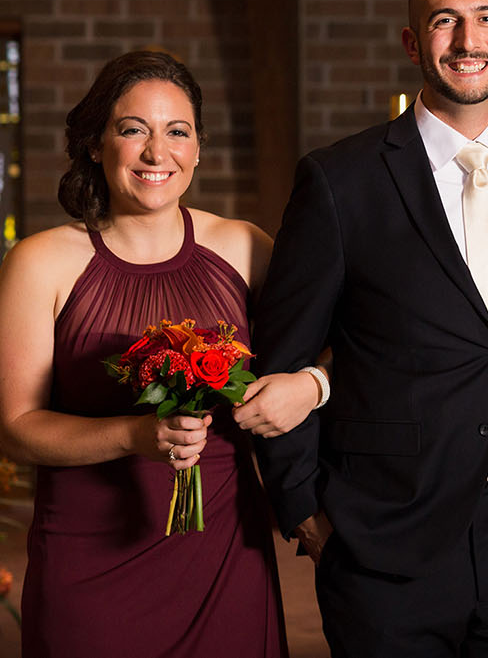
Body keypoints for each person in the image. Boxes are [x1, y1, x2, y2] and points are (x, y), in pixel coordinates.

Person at [251, 0, 488, 657]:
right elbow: (279, 357)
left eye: (486, 18)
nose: (468, 41)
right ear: (413, 40)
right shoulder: (339, 181)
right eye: (445, 21)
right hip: (385, 546)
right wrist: (304, 514)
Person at [0, 50, 292, 657]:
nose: (158, 153)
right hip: (87, 560)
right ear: (94, 144)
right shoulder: (39, 261)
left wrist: (313, 384)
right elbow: (16, 429)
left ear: (198, 147)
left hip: (221, 556)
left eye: (177, 131)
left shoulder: (244, 247)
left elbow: (345, 348)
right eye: (133, 130)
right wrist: (134, 435)